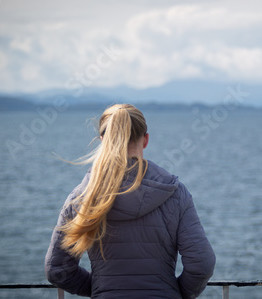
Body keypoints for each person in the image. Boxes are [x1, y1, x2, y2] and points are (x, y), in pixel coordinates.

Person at [45, 104, 215, 298]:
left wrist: (100, 289)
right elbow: (202, 264)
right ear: (145, 140)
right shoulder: (175, 193)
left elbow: (57, 269)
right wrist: (175, 293)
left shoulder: (82, 197)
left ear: (103, 140)